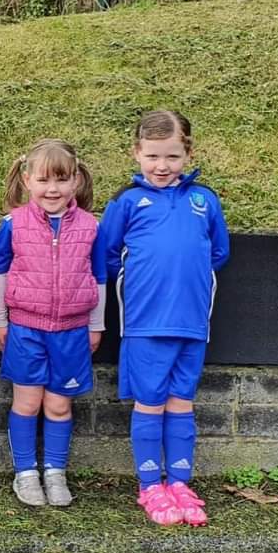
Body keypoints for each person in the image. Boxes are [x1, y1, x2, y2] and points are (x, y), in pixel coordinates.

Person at [97, 110, 230, 526]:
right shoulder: (127, 201)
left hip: (192, 323)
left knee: (182, 403)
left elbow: (218, 253)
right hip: (145, 323)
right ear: (137, 152)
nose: (161, 166)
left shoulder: (203, 200)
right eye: (152, 156)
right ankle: (150, 486)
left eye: (172, 157)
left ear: (187, 153)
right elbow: (106, 254)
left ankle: (181, 482)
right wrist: (141, 282)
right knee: (150, 404)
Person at [0, 139, 106, 508]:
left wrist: (96, 324)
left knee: (58, 406)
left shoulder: (91, 227)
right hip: (26, 329)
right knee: (27, 403)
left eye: (61, 180)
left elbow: (99, 275)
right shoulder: (14, 224)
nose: (52, 189)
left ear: (75, 181)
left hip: (72, 332)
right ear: (27, 180)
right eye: (43, 180)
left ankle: (55, 471)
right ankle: (25, 473)